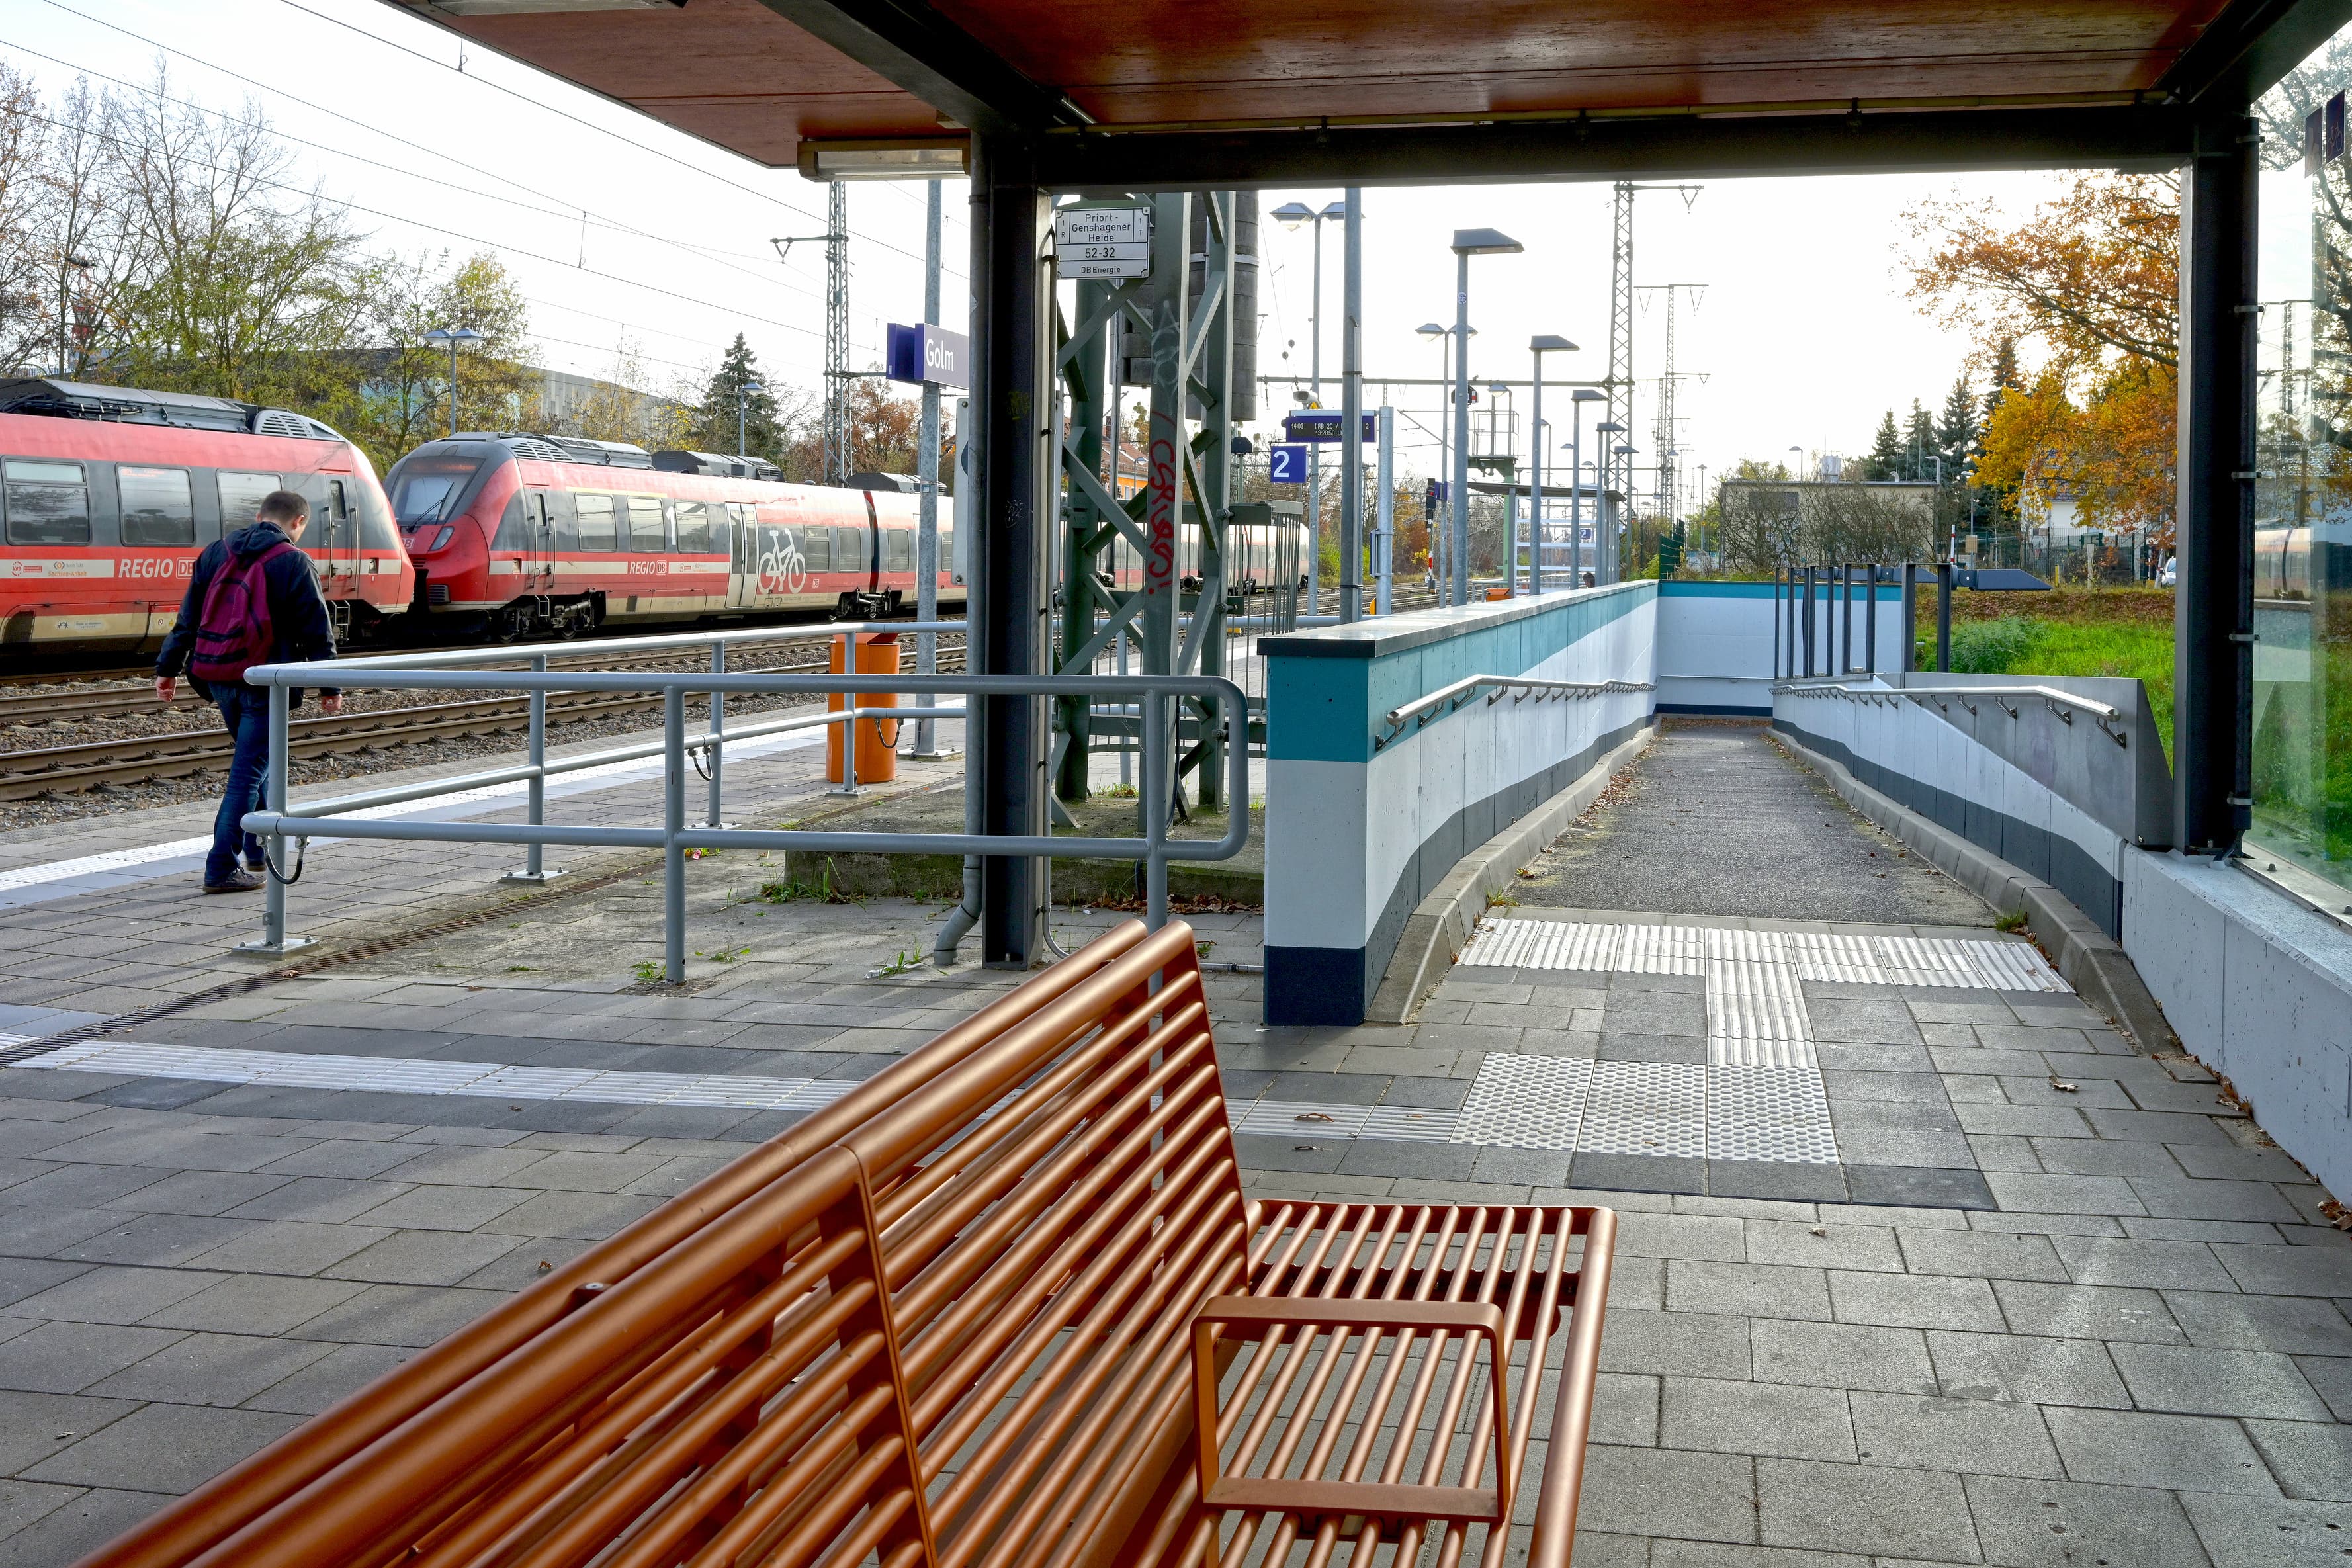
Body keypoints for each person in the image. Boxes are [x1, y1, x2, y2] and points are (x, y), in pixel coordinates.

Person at [155, 490, 343, 893]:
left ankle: (257, 852)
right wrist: (330, 685)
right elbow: (317, 630)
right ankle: (221, 867)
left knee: (255, 765)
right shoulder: (293, 561)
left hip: (218, 676)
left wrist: (167, 669)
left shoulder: (215, 552)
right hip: (265, 683)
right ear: (299, 523)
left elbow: (187, 618)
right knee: (247, 775)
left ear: (259, 516)